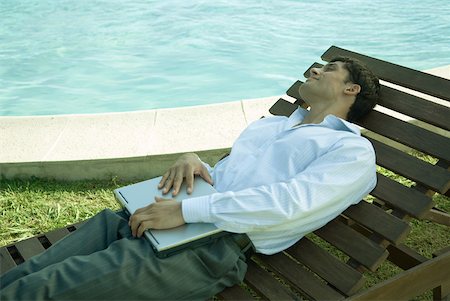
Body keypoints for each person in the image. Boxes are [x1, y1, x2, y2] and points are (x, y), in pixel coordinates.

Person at [0, 56, 381, 300]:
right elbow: (234, 181)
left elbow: (288, 204)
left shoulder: (351, 152)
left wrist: (187, 211)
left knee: (35, 292)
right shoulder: (270, 127)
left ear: (351, 89)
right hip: (152, 217)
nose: (313, 69)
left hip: (208, 248)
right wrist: (196, 163)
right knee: (24, 274)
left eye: (327, 68)